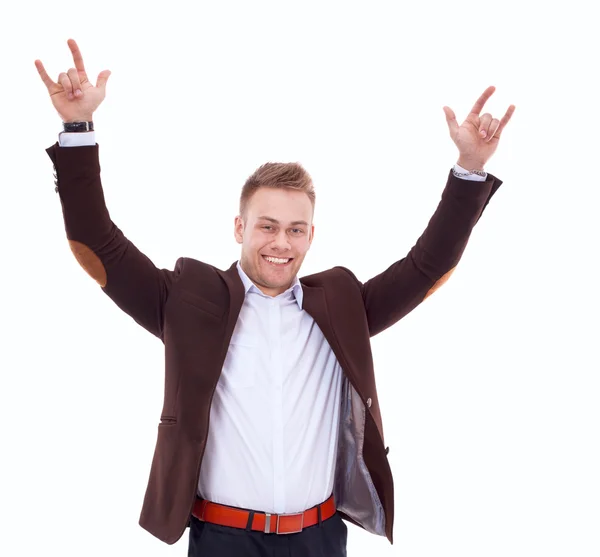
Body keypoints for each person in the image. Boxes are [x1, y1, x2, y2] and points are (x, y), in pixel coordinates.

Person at [35, 38, 515, 557]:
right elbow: (96, 243)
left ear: (312, 235)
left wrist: (469, 168)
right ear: (240, 227)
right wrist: (78, 129)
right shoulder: (187, 302)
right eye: (266, 226)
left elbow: (428, 266)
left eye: (295, 229)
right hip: (222, 540)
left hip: (319, 539)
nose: (281, 243)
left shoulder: (341, 305)